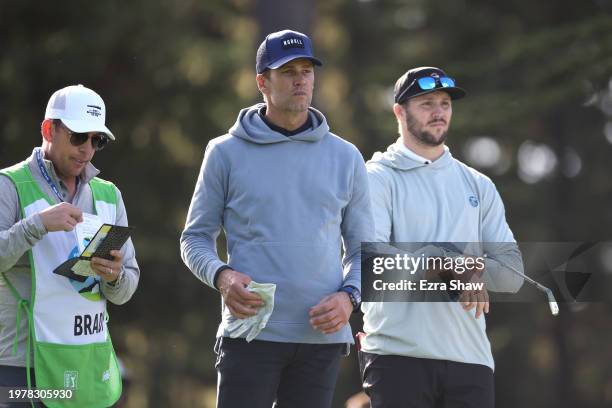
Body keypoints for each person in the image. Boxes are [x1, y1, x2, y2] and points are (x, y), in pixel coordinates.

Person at [180, 29, 373, 408]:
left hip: (322, 340)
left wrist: (350, 298)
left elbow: (365, 250)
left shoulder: (347, 156)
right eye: (287, 71)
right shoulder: (224, 153)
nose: (300, 79)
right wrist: (223, 276)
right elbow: (194, 238)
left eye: (306, 70)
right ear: (262, 82)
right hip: (250, 335)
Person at [359, 67, 524, 408]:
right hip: (396, 355)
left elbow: (511, 274)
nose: (438, 112)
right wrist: (447, 265)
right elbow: (371, 266)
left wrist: (469, 268)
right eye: (426, 103)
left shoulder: (478, 184)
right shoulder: (375, 178)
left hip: (471, 359)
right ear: (399, 112)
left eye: (445, 103)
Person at [0, 85, 140, 407]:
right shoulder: (9, 185)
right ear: (49, 129)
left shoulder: (109, 195)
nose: (87, 150)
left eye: (97, 140)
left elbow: (127, 286)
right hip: (21, 369)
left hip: (85, 363)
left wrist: (113, 277)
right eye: (78, 136)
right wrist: (38, 224)